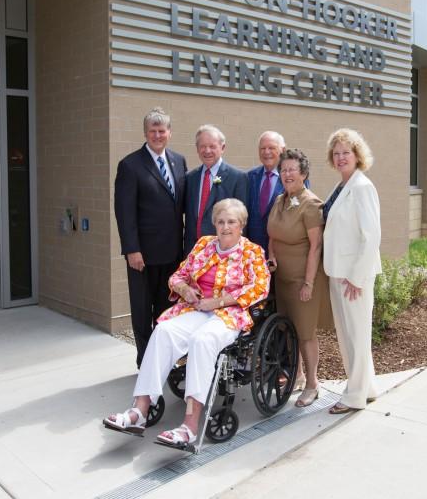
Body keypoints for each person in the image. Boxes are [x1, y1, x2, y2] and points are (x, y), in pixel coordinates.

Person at [103, 199, 269, 447]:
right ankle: (139, 411)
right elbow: (178, 276)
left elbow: (260, 287)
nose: (225, 227)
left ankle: (189, 426)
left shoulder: (252, 252)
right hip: (196, 308)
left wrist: (220, 302)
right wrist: (185, 289)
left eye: (231, 222)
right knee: (164, 331)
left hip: (229, 315)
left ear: (241, 225)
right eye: (220, 221)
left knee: (201, 341)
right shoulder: (203, 245)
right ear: (214, 223)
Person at [114, 107, 188, 367]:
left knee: (166, 310)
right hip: (142, 256)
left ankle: (164, 360)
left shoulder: (179, 161)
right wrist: (132, 249)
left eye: (162, 130)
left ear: (169, 133)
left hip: (172, 254)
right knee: (143, 311)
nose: (158, 135)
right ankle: (145, 363)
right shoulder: (130, 165)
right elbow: (124, 213)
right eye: (152, 131)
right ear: (145, 133)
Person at [266, 149, 332, 407]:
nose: (287, 174)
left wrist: (308, 283)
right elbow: (272, 233)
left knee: (305, 333)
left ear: (304, 173)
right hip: (281, 278)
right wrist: (271, 255)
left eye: (293, 169)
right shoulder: (279, 200)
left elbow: (316, 246)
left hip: (303, 279)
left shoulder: (311, 204)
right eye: (283, 170)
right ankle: (299, 376)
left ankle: (313, 383)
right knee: (287, 329)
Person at [322, 128, 381, 414]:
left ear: (358, 155)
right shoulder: (341, 187)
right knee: (349, 335)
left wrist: (357, 277)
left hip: (353, 277)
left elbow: (371, 236)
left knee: (355, 336)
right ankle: (366, 387)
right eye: (337, 153)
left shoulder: (362, 187)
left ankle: (354, 396)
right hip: (338, 271)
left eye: (347, 152)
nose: (342, 157)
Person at [183, 125, 249, 255]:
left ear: (222, 148)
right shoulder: (190, 178)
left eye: (212, 146)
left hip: (223, 251)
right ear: (197, 149)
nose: (207, 151)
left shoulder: (237, 177)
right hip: (193, 251)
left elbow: (242, 220)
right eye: (202, 146)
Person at [246, 131, 287, 254]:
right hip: (252, 250)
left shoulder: (293, 178)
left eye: (271, 148)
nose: (266, 152)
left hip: (280, 249)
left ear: (283, 150)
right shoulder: (249, 177)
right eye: (262, 148)